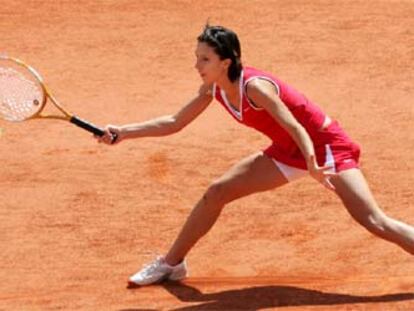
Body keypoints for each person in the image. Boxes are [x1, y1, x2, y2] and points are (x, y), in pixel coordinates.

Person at [97, 24, 414, 287]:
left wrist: (315, 165)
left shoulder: (256, 88)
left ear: (225, 62)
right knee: (216, 193)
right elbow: (174, 122)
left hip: (325, 147)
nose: (197, 65)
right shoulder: (214, 88)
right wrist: (123, 132)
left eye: (204, 59)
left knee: (374, 221)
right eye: (197, 58)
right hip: (287, 150)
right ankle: (171, 264)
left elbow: (295, 126)